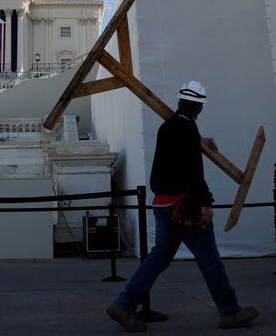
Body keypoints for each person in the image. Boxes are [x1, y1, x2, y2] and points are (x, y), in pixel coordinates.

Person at [106, 81, 259, 332]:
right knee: (209, 258)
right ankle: (230, 311)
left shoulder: (167, 127)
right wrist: (204, 203)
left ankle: (124, 304)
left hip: (162, 205)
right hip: (184, 205)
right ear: (199, 108)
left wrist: (201, 140)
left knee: (158, 258)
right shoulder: (187, 130)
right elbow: (192, 171)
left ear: (179, 103)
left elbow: (179, 156)